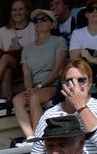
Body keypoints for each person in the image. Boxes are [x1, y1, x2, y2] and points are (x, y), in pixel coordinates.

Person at [12, 9, 68, 145]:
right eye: (36, 21)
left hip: (53, 85)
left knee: (34, 97)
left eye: (43, 19)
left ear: (52, 25)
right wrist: (29, 88)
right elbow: (26, 74)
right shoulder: (27, 49)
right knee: (17, 100)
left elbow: (57, 69)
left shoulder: (59, 41)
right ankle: (30, 137)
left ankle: (39, 137)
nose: (39, 22)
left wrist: (39, 87)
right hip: (35, 88)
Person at [70, 0, 97, 83]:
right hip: (83, 74)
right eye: (91, 9)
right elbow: (74, 60)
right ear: (86, 14)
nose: (95, 11)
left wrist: (90, 58)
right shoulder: (77, 33)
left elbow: (80, 60)